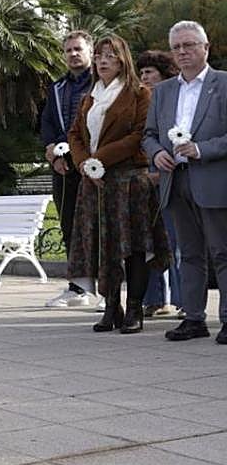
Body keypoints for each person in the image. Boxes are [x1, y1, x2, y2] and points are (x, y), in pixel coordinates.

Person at [67, 35, 169, 334]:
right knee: (102, 246)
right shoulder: (90, 96)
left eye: (109, 55)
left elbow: (139, 135)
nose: (102, 61)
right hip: (95, 182)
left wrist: (100, 158)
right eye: (98, 55)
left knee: (133, 246)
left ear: (123, 59)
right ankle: (112, 305)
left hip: (129, 181)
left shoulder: (139, 93)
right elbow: (74, 134)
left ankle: (135, 307)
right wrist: (84, 162)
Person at [143, 20, 227, 344]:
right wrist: (156, 154)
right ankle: (193, 318)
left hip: (214, 181)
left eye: (189, 45)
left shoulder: (223, 83)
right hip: (175, 183)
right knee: (188, 254)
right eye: (177, 47)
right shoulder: (163, 91)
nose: (183, 51)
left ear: (205, 48)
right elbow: (148, 135)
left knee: (222, 252)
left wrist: (200, 149)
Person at [41, 31, 97, 308]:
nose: (73, 54)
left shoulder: (102, 83)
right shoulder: (57, 88)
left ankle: (104, 288)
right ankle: (78, 287)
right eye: (68, 50)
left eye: (78, 49)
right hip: (65, 168)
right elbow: (48, 124)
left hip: (97, 164)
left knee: (98, 225)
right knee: (69, 225)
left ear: (90, 51)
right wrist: (52, 151)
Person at [137, 50, 182, 319]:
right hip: (142, 182)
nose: (144, 78)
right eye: (141, 73)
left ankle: (183, 300)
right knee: (147, 242)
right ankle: (154, 299)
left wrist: (160, 172)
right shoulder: (141, 105)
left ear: (164, 75)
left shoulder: (174, 103)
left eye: (149, 72)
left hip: (169, 180)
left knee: (175, 242)